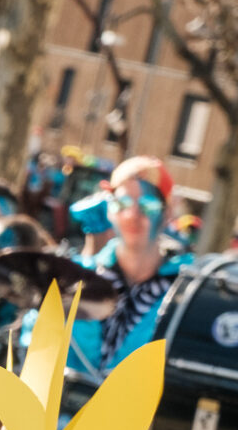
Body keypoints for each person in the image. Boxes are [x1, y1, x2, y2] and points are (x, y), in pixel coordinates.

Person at [69, 156, 189, 385]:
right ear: (109, 210)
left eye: (147, 205)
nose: (132, 215)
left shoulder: (183, 293)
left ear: (167, 213)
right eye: (122, 204)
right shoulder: (75, 278)